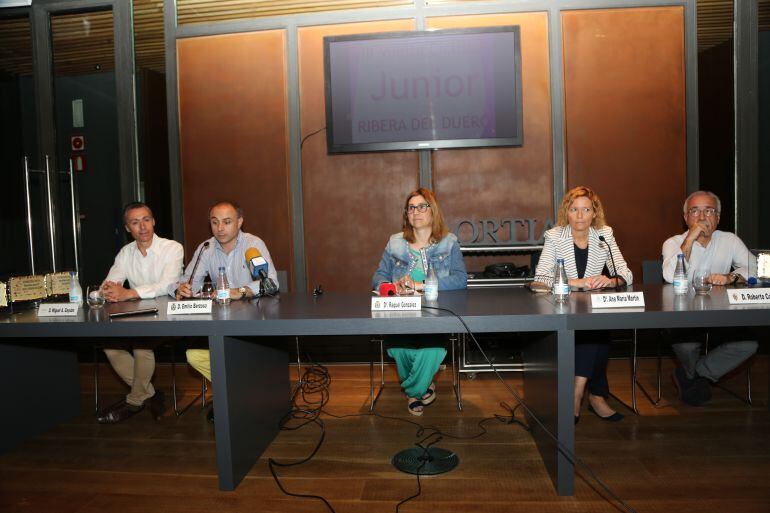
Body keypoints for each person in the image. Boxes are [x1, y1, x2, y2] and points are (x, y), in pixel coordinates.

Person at [169, 200, 278, 422]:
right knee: (193, 355)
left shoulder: (253, 244)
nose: (220, 228)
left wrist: (242, 290)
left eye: (227, 222)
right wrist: (181, 288)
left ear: (239, 222)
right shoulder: (206, 248)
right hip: (219, 323)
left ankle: (233, 396)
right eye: (215, 222)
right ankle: (237, 393)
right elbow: (188, 282)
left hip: (253, 321)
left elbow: (272, 283)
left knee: (237, 357)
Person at [532, 186, 633, 424]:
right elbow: (541, 278)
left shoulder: (604, 235)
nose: (579, 216)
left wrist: (610, 280)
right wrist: (576, 282)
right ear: (566, 213)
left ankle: (579, 393)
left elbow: (626, 274)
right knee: (595, 335)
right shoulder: (555, 236)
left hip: (593, 305)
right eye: (574, 209)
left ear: (594, 213)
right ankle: (593, 395)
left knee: (595, 329)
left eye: (586, 209)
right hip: (562, 305)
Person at [372, 188, 467, 416]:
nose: (416, 211)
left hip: (437, 313)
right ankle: (422, 386)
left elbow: (460, 279)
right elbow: (378, 276)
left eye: (422, 206)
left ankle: (414, 391)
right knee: (399, 349)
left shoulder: (449, 242)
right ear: (407, 214)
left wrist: (421, 284)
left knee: (431, 351)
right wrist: (391, 288)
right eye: (411, 207)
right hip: (400, 313)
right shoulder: (394, 242)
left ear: (432, 211)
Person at [662, 190, 758, 406]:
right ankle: (693, 379)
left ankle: (692, 375)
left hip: (722, 317)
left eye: (709, 211)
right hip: (684, 316)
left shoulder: (729, 240)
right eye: (695, 211)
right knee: (686, 346)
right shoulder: (673, 242)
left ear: (718, 217)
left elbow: (757, 268)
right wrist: (689, 240)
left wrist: (731, 276)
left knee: (748, 345)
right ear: (686, 217)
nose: (702, 217)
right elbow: (669, 276)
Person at [97, 202, 184, 424]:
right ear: (128, 228)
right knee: (110, 345)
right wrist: (108, 290)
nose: (142, 226)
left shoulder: (172, 248)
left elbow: (167, 285)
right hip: (135, 314)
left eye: (146, 220)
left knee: (140, 345)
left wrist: (129, 293)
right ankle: (150, 394)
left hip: (168, 314)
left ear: (153, 221)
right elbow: (111, 282)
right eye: (135, 222)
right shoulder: (125, 253)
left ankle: (134, 402)